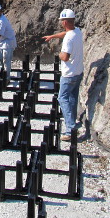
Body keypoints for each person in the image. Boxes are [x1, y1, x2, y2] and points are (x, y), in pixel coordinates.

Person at [43, 9, 84, 141]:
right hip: (78, 72)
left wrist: (57, 52)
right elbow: (66, 33)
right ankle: (73, 122)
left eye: (61, 21)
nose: (61, 23)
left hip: (69, 74)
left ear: (65, 21)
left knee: (62, 98)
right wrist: (52, 36)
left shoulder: (68, 39)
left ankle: (70, 129)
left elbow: (65, 57)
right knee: (72, 98)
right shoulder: (77, 31)